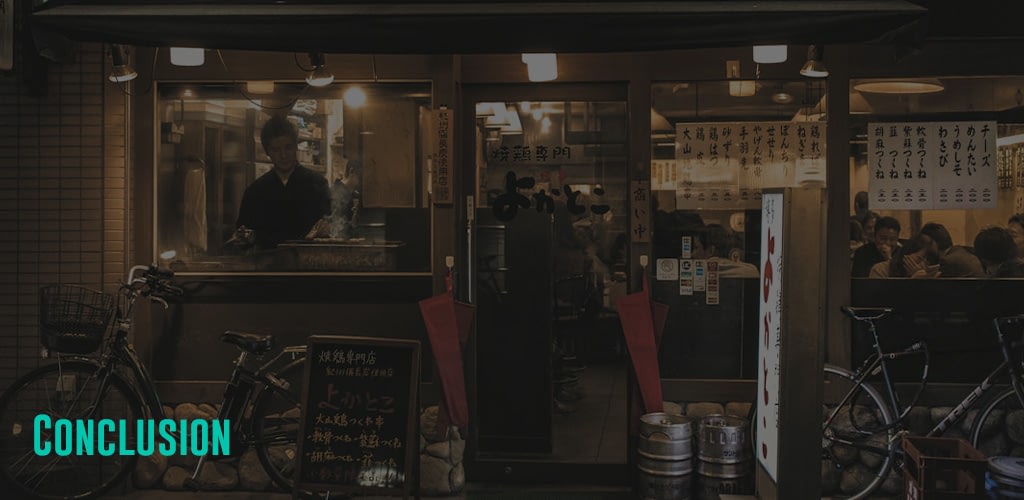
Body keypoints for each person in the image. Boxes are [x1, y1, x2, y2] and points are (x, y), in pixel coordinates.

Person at [235, 115, 331, 249]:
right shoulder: (255, 191)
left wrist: (326, 229)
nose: (283, 155)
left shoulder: (317, 184)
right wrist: (245, 237)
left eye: (288, 147)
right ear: (267, 152)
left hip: (308, 264)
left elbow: (331, 226)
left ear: (296, 146)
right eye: (276, 150)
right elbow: (243, 236)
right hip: (267, 265)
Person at [916, 222, 985, 277]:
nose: (924, 250)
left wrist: (917, 276)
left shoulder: (947, 261)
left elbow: (935, 290)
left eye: (924, 244)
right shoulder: (959, 251)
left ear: (934, 243)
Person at [690, 224, 759, 278]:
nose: (692, 254)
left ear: (711, 251)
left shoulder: (694, 270)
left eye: (696, 248)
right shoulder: (751, 269)